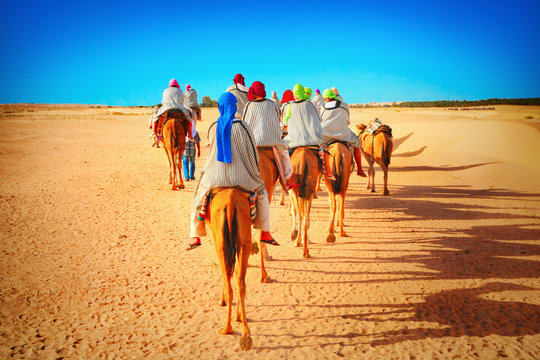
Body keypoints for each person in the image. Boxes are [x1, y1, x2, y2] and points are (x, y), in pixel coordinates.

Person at [187, 92, 278, 250]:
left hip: (215, 177)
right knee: (262, 193)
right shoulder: (244, 126)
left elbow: (212, 154)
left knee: (197, 194)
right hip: (241, 179)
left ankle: (195, 234)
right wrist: (254, 174)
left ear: (220, 107)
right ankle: (264, 232)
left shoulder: (213, 127)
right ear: (235, 106)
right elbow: (252, 155)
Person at [243, 81, 298, 190]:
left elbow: (245, 124)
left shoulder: (248, 105)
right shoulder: (272, 104)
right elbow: (277, 121)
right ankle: (287, 180)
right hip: (272, 143)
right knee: (285, 155)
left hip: (253, 145)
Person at [320, 89, 367, 177]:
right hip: (343, 132)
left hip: (325, 133)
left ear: (328, 98)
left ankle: (321, 171)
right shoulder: (344, 105)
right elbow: (347, 120)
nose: (324, 100)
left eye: (325, 98)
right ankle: (360, 169)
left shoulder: (323, 107)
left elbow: (321, 120)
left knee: (318, 146)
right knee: (357, 143)